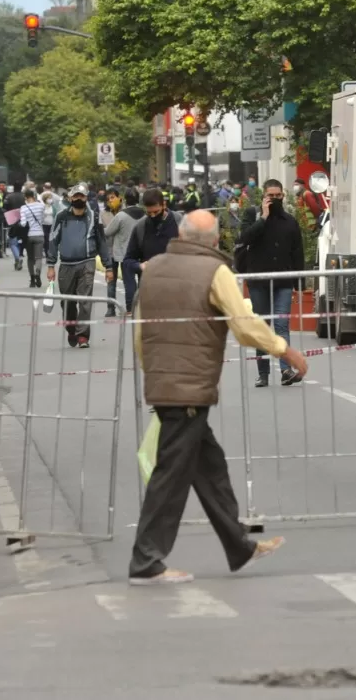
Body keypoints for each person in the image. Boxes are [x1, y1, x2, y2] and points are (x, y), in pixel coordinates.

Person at [128, 210, 307, 585]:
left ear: (180, 234)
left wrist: (155, 375)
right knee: (171, 475)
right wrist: (283, 349)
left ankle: (240, 547)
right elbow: (243, 325)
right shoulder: (214, 272)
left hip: (167, 381)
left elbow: (140, 332)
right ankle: (146, 561)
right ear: (212, 241)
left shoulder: (154, 269)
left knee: (209, 467)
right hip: (189, 385)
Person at [235, 179, 305, 388]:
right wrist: (263, 218)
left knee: (282, 325)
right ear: (263, 196)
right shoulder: (252, 216)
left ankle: (285, 370)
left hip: (283, 281)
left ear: (283, 196)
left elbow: (297, 253)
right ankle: (263, 373)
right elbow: (244, 238)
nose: (274, 199)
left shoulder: (290, 221)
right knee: (263, 326)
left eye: (278, 196)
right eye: (270, 196)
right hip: (259, 281)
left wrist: (298, 284)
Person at [47, 183, 115, 349]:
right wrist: (50, 265)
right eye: (75, 196)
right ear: (70, 198)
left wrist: (108, 267)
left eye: (81, 196)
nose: (78, 199)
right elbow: (53, 240)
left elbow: (102, 242)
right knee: (67, 302)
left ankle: (83, 335)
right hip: (66, 265)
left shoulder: (93, 217)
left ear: (86, 198)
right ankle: (71, 328)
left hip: (87, 263)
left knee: (85, 301)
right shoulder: (61, 217)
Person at [122, 188, 181, 314]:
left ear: (164, 205)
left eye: (156, 211)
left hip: (178, 291)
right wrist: (139, 265)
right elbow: (128, 260)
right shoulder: (140, 227)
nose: (153, 216)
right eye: (149, 213)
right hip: (150, 292)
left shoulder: (180, 223)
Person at [103, 189, 144, 317]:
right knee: (143, 282)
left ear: (125, 200)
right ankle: (144, 308)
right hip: (142, 253)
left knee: (129, 283)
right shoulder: (145, 214)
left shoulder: (121, 216)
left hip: (125, 255)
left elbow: (108, 232)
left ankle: (130, 308)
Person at [19, 188, 48, 288]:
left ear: (26, 197)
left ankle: (32, 280)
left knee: (30, 259)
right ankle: (38, 274)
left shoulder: (24, 208)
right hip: (40, 234)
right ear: (34, 196)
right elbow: (43, 218)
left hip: (29, 236)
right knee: (39, 257)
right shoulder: (41, 206)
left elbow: (23, 224)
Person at [3, 184, 26, 271]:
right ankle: (20, 255)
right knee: (22, 240)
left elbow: (4, 207)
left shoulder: (9, 197)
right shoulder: (24, 196)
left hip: (12, 219)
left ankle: (17, 258)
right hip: (24, 219)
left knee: (13, 241)